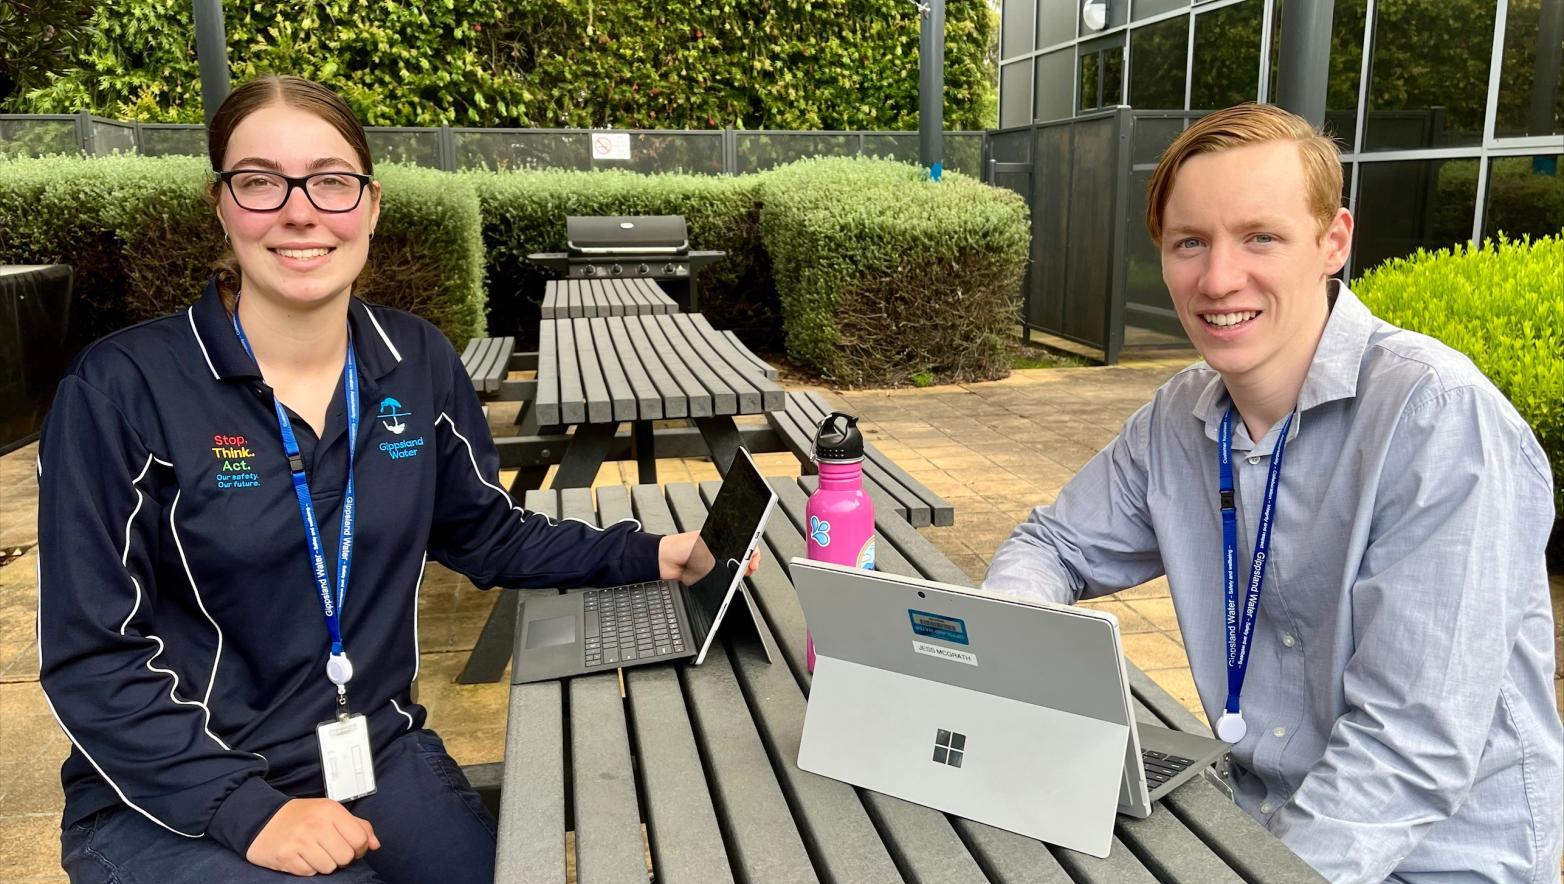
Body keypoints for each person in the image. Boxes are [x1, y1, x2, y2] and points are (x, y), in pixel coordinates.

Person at [36, 75, 731, 883]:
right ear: (222, 205)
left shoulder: (415, 360)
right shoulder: (122, 388)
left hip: (371, 751)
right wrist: (245, 811)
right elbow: (91, 655)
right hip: (171, 792)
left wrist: (651, 555)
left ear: (369, 205)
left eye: (331, 181)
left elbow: (483, 531)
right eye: (261, 181)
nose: (301, 211)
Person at [984, 103, 1560, 882]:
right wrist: (1024, 669)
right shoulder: (1177, 419)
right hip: (1253, 815)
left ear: (1334, 242)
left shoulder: (1438, 419)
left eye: (1260, 237)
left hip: (1428, 858)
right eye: (1190, 242)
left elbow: (1407, 753)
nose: (1218, 279)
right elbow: (1048, 546)